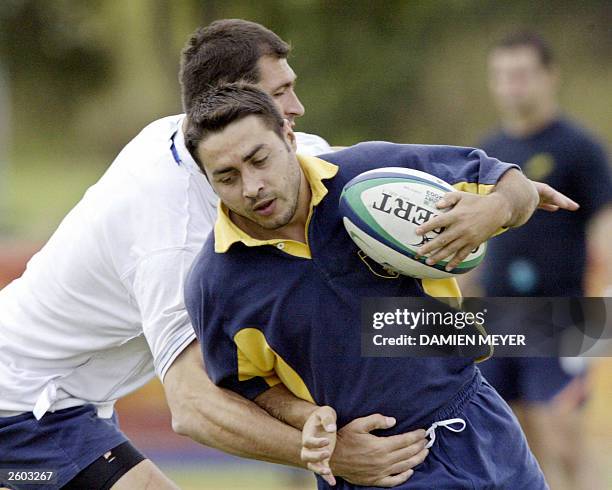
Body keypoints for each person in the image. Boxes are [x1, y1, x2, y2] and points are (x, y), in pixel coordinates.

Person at [0, 20, 431, 490]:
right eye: (281, 91)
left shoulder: (226, 146)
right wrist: (336, 456)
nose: (297, 107)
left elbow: (373, 168)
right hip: (20, 409)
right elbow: (194, 408)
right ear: (229, 101)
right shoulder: (171, 231)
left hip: (68, 406)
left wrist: (500, 198)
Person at [183, 83, 562, 489]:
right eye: (227, 177)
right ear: (207, 180)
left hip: (482, 427)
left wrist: (495, 210)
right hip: (380, 471)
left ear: (288, 137)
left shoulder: (372, 174)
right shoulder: (216, 284)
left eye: (260, 160)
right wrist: (307, 421)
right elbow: (249, 389)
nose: (251, 186)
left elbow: (513, 185)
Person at [476, 32, 612, 490]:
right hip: (496, 316)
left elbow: (605, 229)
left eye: (521, 74)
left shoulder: (580, 148)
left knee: (566, 438)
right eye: (501, 76)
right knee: (513, 445)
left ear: (549, 77)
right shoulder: (486, 152)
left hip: (564, 313)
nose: (511, 86)